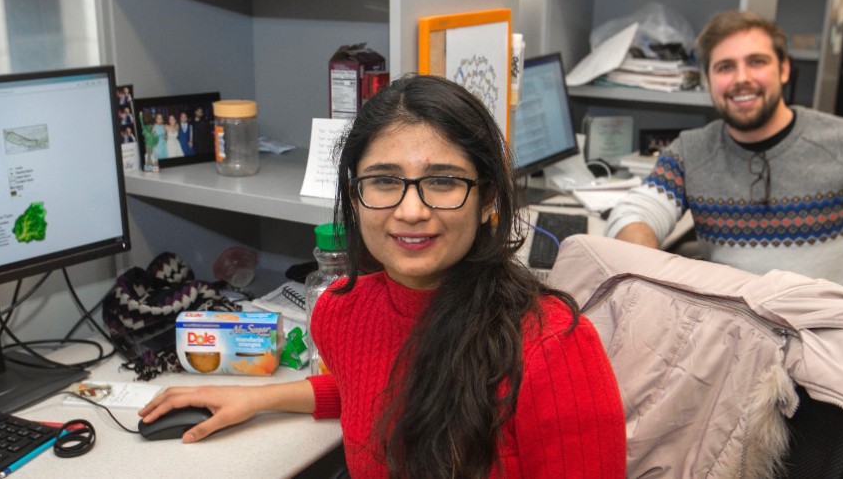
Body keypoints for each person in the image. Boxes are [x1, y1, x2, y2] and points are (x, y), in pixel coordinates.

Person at [140, 75, 626, 478]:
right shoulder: (340, 313)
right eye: (384, 181)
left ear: (489, 200)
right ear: (354, 197)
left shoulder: (553, 346)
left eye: (442, 181)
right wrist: (256, 399)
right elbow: (373, 383)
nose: (411, 210)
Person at [605, 10, 843, 478]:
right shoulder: (691, 152)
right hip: (740, 350)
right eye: (725, 67)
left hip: (839, 355)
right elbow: (633, 215)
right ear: (710, 81)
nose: (741, 79)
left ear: (784, 69)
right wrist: (655, 277)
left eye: (756, 62)